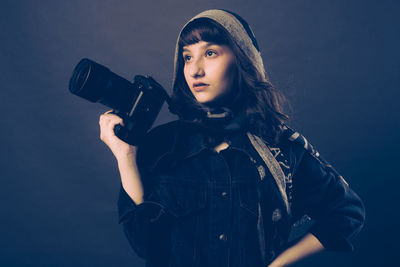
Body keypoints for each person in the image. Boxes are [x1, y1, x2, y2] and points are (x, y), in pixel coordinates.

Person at [99, 9, 365, 267]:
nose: (195, 70)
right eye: (187, 57)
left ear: (241, 60)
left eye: (210, 53)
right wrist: (126, 156)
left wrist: (279, 263)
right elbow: (146, 246)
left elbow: (346, 211)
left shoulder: (280, 147)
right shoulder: (162, 146)